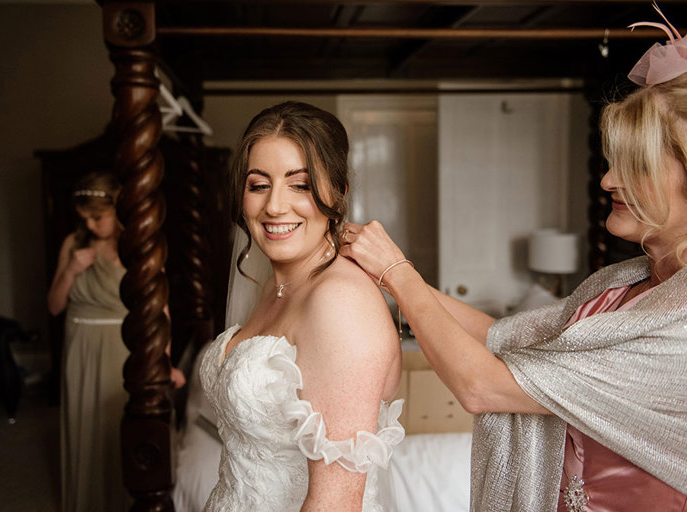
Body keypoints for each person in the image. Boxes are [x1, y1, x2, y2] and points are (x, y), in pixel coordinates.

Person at [339, 16, 687, 512]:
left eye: (635, 167)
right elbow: (501, 335)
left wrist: (397, 272)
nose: (608, 180)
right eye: (612, 161)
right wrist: (387, 277)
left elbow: (484, 386)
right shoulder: (619, 283)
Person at [199, 101, 404, 512]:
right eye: (259, 185)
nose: (274, 206)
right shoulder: (277, 287)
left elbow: (337, 500)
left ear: (339, 193)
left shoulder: (340, 301)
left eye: (301, 185)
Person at [47, 171, 184, 512]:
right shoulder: (73, 245)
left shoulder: (139, 247)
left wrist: (164, 361)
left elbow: (160, 312)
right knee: (85, 428)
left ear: (117, 208)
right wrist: (70, 272)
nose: (91, 225)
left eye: (98, 217)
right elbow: (53, 307)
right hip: (81, 346)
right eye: (85, 218)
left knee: (120, 427)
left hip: (126, 348)